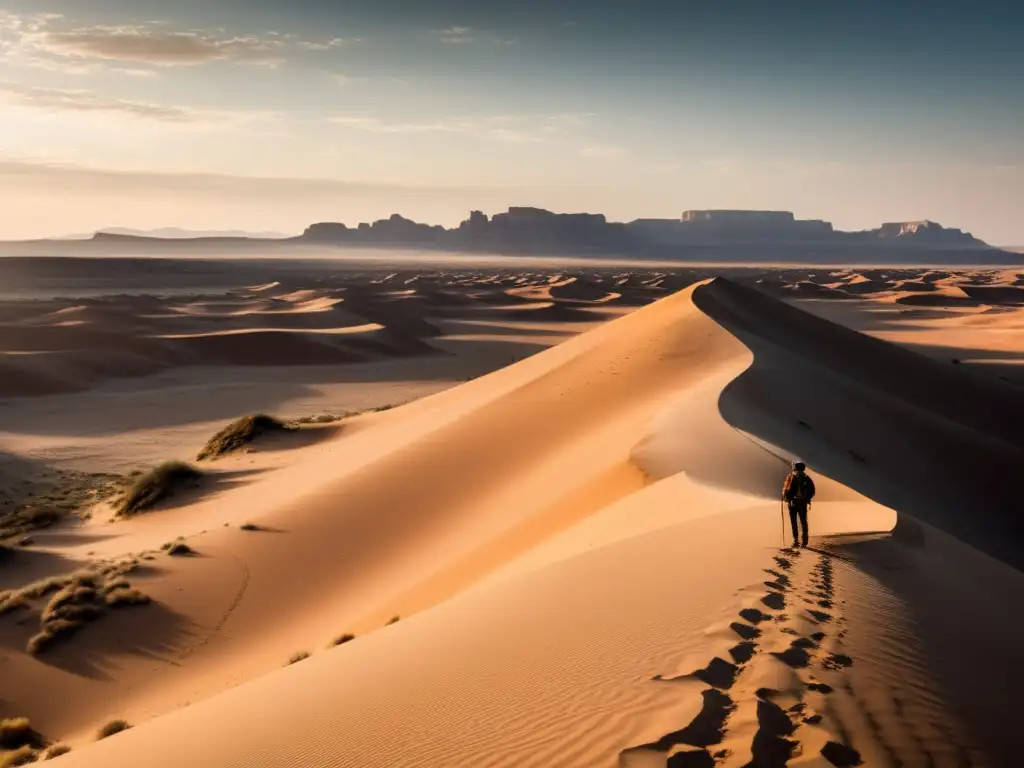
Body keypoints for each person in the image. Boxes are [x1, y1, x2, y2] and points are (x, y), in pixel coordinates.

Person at [782, 461, 816, 547]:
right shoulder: (806, 478)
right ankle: (804, 541)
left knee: (794, 522)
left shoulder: (791, 476)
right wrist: (807, 499)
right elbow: (812, 491)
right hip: (802, 502)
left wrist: (785, 497)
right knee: (803, 522)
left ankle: (796, 541)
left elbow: (785, 488)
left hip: (792, 502)